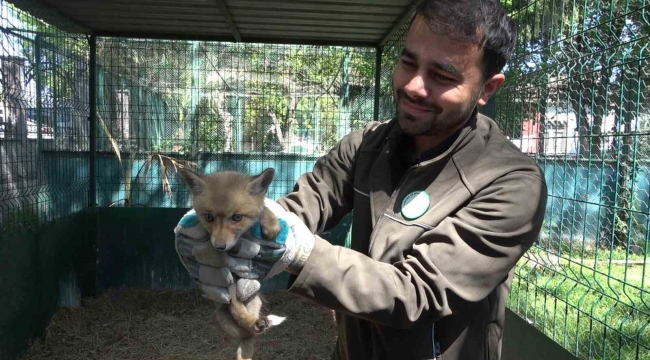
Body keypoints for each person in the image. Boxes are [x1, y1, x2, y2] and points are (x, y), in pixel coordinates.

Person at [174, 0, 548, 359]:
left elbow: (417, 293)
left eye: (442, 75)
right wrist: (236, 227)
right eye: (408, 62)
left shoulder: (511, 183)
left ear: (487, 89)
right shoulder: (367, 146)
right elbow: (306, 205)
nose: (414, 85)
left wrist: (300, 253)